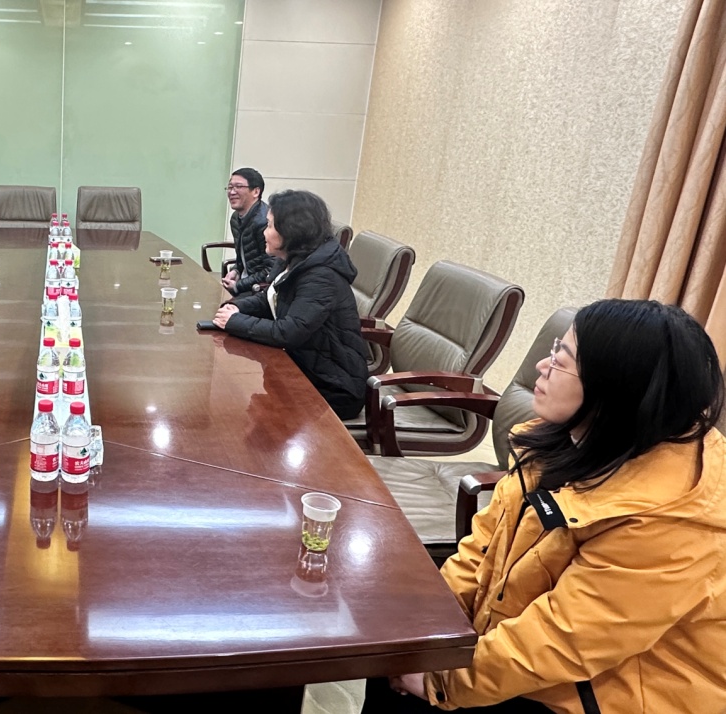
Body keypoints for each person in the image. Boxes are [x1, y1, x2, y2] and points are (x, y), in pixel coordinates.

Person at [364, 299, 726, 713]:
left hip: (605, 692)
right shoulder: (561, 440)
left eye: (561, 360)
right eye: (555, 349)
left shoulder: (676, 518)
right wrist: (426, 631)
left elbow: (564, 639)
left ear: (614, 389)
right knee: (390, 656)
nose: (542, 365)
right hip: (530, 650)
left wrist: (443, 680)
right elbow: (483, 547)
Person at [211, 190, 366, 419]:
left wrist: (236, 321)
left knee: (237, 410)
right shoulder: (292, 260)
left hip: (331, 387)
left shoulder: (321, 276)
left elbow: (289, 332)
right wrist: (235, 307)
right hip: (302, 367)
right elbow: (269, 298)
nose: (264, 232)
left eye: (270, 226)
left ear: (291, 230)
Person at [221, 167, 275, 296]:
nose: (232, 192)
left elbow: (271, 270)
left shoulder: (264, 222)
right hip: (246, 284)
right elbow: (244, 257)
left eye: (238, 187)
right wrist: (236, 271)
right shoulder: (236, 218)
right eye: (230, 187)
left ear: (256, 191)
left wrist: (238, 286)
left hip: (259, 290)